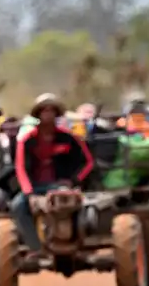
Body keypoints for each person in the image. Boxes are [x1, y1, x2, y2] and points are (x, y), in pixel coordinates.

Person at [11, 94, 94, 258]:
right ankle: (35, 248)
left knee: (80, 206)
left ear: (56, 114)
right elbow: (20, 168)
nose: (48, 114)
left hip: (60, 185)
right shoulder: (27, 140)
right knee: (18, 206)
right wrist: (29, 194)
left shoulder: (69, 138)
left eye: (51, 110)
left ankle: (79, 243)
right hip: (35, 187)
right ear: (38, 114)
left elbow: (88, 162)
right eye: (44, 110)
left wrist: (73, 181)